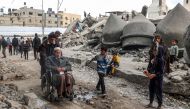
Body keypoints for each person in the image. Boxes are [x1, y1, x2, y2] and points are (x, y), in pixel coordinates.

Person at [144, 35, 165, 109]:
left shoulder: (161, 60)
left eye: (156, 50)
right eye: (154, 50)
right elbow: (150, 67)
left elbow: (161, 72)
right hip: (152, 77)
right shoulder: (153, 59)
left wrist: (155, 75)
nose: (154, 51)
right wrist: (147, 71)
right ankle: (150, 103)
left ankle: (159, 105)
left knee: (158, 90)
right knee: (151, 89)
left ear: (160, 51)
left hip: (158, 78)